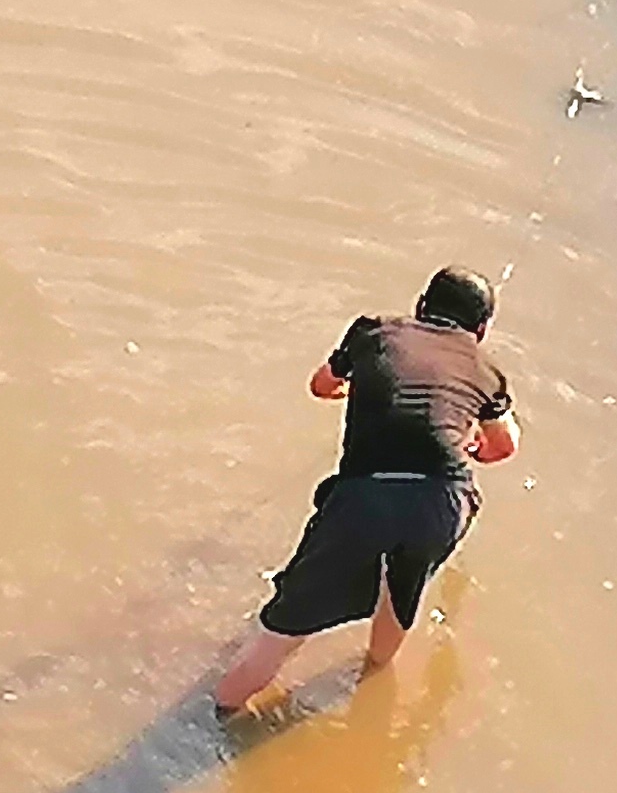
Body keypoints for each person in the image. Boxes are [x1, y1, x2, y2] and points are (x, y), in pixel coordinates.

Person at [212, 265, 519, 714]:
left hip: (366, 499)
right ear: (483, 328)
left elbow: (320, 385)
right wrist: (472, 444)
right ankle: (375, 674)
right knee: (401, 591)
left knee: (285, 630)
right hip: (441, 502)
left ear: (420, 305)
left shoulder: (372, 332)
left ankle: (220, 710)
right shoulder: (487, 371)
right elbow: (505, 446)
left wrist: (347, 391)